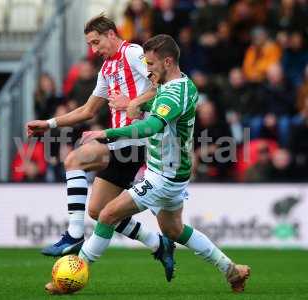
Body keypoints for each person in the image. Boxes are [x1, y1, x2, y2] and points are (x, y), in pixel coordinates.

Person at [45, 34, 251, 294]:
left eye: (151, 64)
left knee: (107, 214)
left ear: (167, 61)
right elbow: (157, 104)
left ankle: (72, 277)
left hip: (163, 176)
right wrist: (133, 103)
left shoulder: (173, 94)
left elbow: (151, 126)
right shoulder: (181, 85)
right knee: (173, 229)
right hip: (173, 172)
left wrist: (105, 134)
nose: (147, 69)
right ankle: (231, 270)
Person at [26, 15, 172, 274]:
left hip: (137, 140)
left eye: (96, 42)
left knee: (74, 160)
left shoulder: (133, 52)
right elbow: (88, 109)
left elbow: (161, 83)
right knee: (98, 211)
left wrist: (134, 101)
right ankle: (157, 243)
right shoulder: (106, 68)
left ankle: (73, 234)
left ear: (111, 35)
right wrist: (49, 124)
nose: (94, 49)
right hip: (118, 143)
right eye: (90, 45)